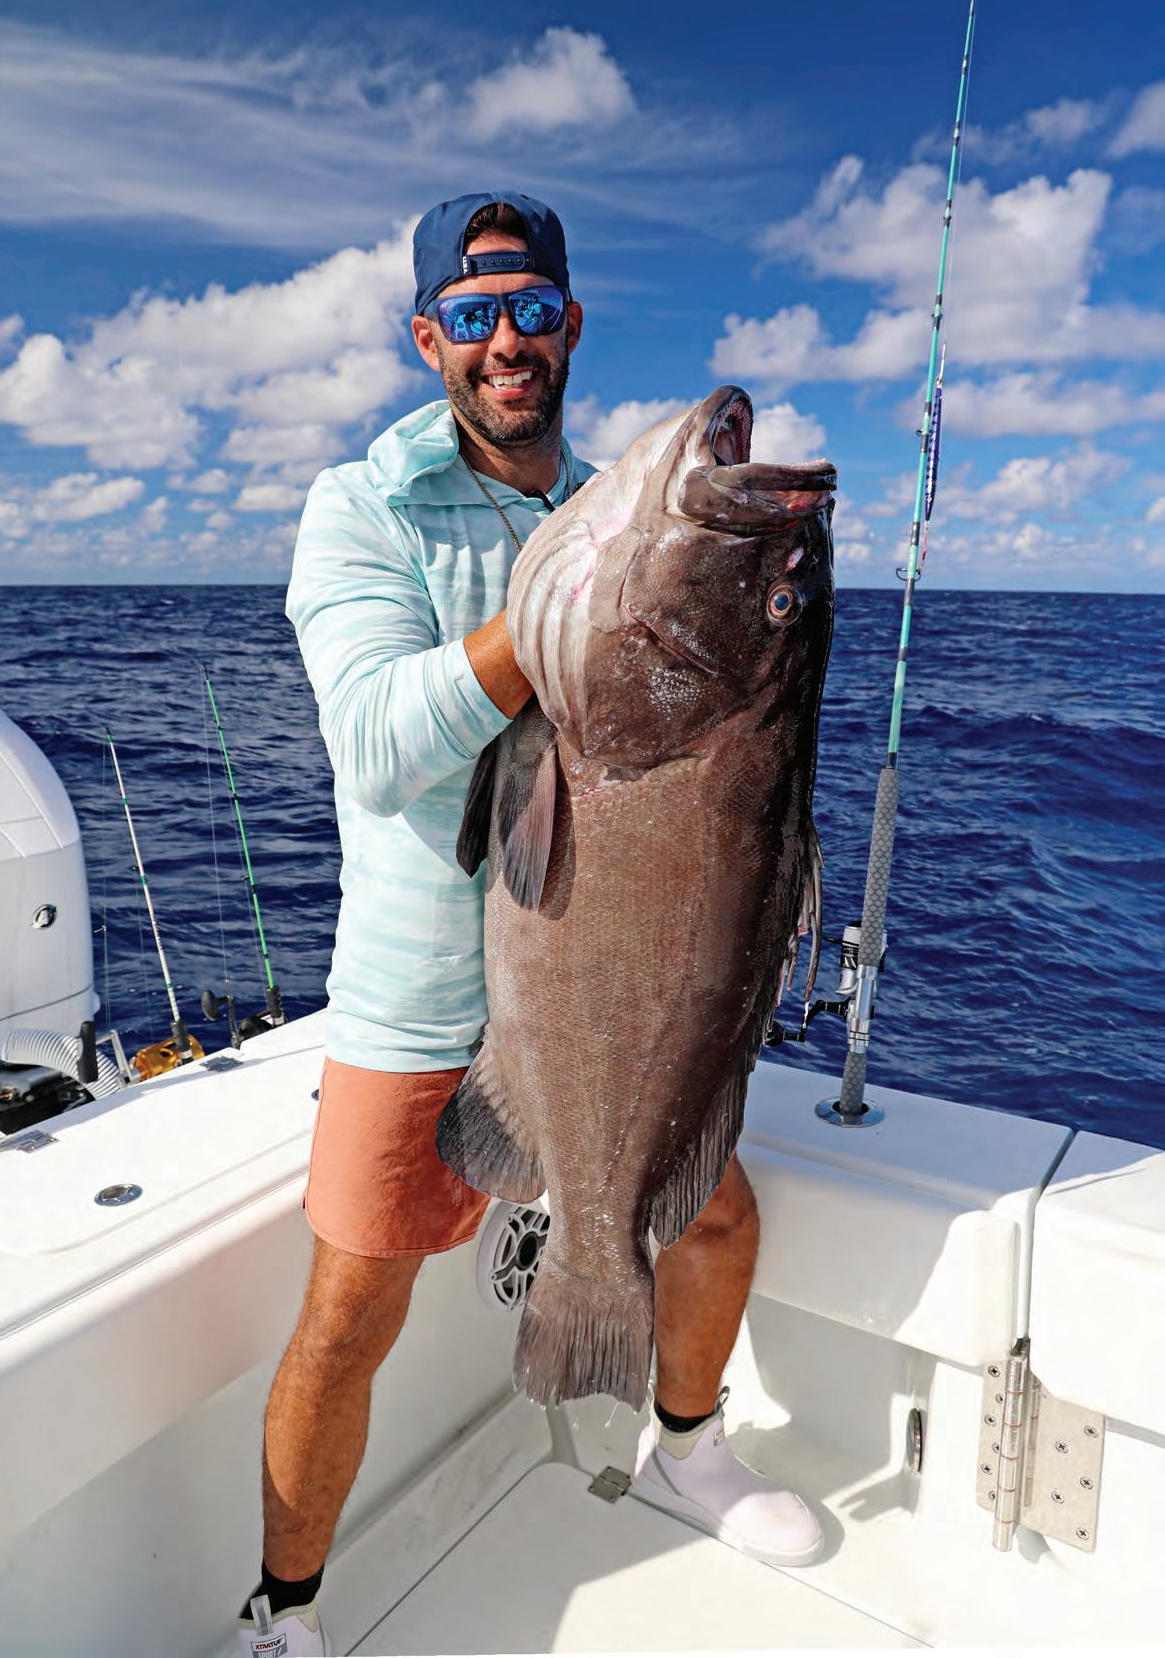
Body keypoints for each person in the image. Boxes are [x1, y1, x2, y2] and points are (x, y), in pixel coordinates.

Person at [237, 191, 823, 1658]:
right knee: (350, 1312)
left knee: (711, 1213)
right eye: (476, 313)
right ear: (428, 336)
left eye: (536, 311)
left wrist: (608, 602)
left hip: (604, 997)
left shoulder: (609, 515)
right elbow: (376, 744)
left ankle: (687, 1445)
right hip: (419, 997)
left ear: (570, 328)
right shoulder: (364, 506)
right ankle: (285, 1610)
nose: (509, 340)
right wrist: (556, 629)